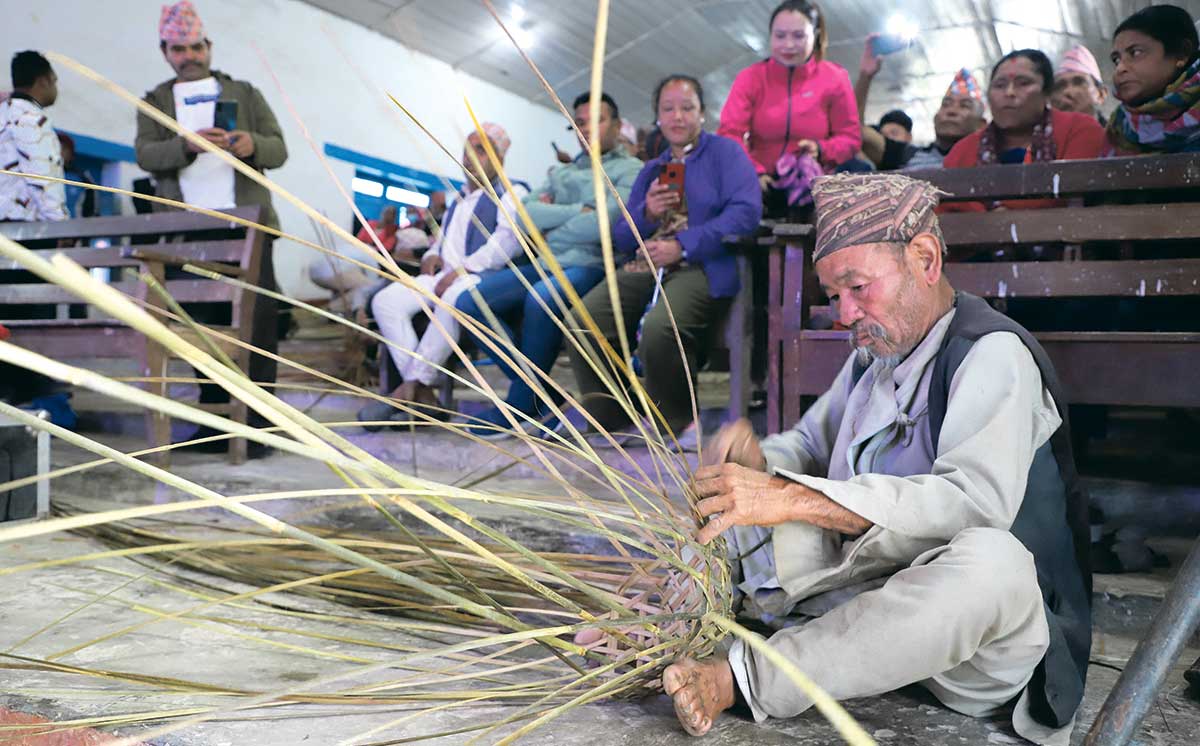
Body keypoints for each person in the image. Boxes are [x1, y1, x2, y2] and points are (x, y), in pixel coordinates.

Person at [656, 173, 1090, 746]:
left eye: (857, 287)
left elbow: (971, 506)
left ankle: (743, 677)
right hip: (869, 597)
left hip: (975, 646)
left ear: (925, 259)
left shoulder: (992, 354)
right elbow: (810, 446)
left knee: (994, 566)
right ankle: (659, 620)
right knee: (726, 508)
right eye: (834, 295)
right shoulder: (876, 352)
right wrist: (756, 460)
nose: (844, 313)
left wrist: (792, 497)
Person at [568, 75, 761, 448]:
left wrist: (684, 245)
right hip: (648, 265)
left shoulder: (726, 154)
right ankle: (614, 418)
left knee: (661, 327)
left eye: (687, 108)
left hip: (702, 265)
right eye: (668, 109)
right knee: (582, 320)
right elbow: (623, 237)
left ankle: (677, 422)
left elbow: (746, 213)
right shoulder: (652, 169)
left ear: (702, 113)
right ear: (657, 117)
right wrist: (647, 213)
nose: (677, 117)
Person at [135, 0, 288, 457]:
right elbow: (145, 155)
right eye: (179, 49)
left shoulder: (245, 92)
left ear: (209, 46)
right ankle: (214, 422)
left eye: (196, 47)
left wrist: (249, 143)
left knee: (257, 327)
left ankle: (259, 427)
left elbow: (279, 149)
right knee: (200, 327)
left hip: (247, 227)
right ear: (165, 52)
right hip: (188, 232)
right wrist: (186, 146)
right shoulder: (154, 102)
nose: (190, 56)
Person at [456, 91, 642, 438]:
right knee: (468, 303)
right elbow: (524, 217)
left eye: (597, 121)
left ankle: (521, 405)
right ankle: (541, 396)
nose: (586, 130)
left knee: (542, 298)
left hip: (593, 264)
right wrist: (577, 211)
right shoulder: (562, 172)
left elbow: (603, 225)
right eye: (580, 123)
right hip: (547, 261)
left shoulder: (631, 170)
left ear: (617, 126)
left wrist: (552, 223)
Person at [356, 124, 527, 427]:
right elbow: (442, 242)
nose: (470, 156)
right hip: (444, 275)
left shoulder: (512, 192)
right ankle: (422, 394)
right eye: (468, 149)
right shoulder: (457, 199)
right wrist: (431, 255)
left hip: (483, 277)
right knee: (385, 301)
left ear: (499, 158)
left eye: (481, 150)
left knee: (453, 298)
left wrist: (464, 269)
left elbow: (507, 242)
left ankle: (406, 390)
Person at [718, 1, 861, 215]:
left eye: (798, 36)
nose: (788, 45)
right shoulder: (750, 78)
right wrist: (754, 172)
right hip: (759, 186)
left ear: (815, 35)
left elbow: (850, 138)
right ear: (770, 36)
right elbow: (729, 134)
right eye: (780, 36)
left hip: (816, 188)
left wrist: (821, 149)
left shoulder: (835, 78)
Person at [942, 49, 1107, 211]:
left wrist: (999, 215)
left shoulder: (1079, 130)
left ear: (1047, 93)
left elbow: (1075, 195)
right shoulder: (962, 152)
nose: (1009, 92)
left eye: (1023, 83)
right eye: (1000, 85)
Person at [856, 31, 988, 171]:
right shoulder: (904, 155)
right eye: (946, 104)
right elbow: (855, 131)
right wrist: (865, 77)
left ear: (982, 125)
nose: (951, 110)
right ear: (935, 118)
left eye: (965, 106)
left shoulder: (991, 161)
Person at [1107, 4, 1200, 155]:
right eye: (1116, 60)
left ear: (1182, 53)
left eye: (1136, 53)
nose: (1120, 68)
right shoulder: (1119, 128)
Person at [0, 51, 65, 222]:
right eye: (54, 81)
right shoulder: (32, 120)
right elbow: (41, 177)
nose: (56, 89)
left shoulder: (4, 114)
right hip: (23, 226)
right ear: (43, 81)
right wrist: (60, 222)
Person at [1051, 45, 1108, 123]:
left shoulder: (1119, 130)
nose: (1068, 91)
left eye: (1079, 83)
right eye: (1060, 86)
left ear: (1101, 95)